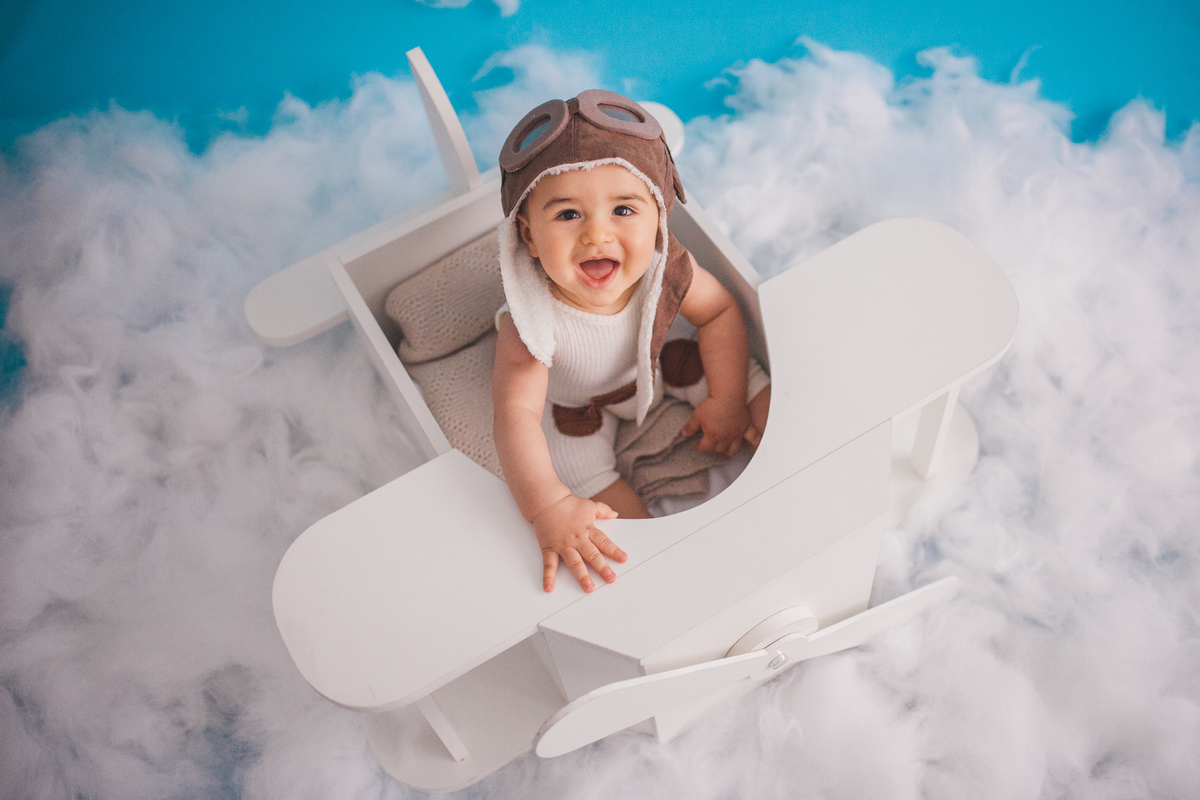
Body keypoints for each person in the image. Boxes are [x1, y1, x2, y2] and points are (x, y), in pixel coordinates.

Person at [491, 90, 770, 594]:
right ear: (529, 238)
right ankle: (665, 572)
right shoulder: (531, 322)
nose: (597, 235)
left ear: (658, 215)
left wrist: (727, 399)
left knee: (756, 386)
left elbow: (721, 311)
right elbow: (515, 416)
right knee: (585, 491)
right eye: (568, 215)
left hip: (661, 367)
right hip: (581, 411)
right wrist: (549, 506)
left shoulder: (665, 268)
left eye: (623, 209)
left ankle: (794, 468)